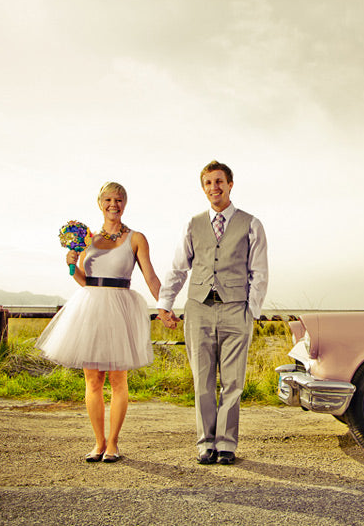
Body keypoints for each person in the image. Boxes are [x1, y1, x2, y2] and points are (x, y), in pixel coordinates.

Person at [37, 182, 161, 463]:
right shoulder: (86, 239)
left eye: (118, 199)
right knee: (93, 380)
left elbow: (150, 277)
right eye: (108, 199)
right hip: (91, 308)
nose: (113, 204)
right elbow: (83, 279)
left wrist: (164, 306)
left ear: (125, 203)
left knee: (118, 379)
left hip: (120, 308)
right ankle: (98, 442)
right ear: (99, 203)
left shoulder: (136, 238)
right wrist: (70, 264)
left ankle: (114, 443)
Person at [156, 160, 268, 466]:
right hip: (198, 310)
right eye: (208, 183)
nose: (214, 188)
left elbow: (259, 272)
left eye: (219, 182)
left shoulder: (251, 223)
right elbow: (179, 268)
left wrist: (251, 312)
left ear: (230, 184)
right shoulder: (193, 224)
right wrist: (165, 304)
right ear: (203, 187)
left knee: (233, 382)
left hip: (235, 310)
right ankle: (205, 443)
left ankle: (227, 444)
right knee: (202, 380)